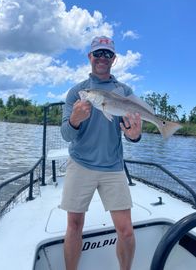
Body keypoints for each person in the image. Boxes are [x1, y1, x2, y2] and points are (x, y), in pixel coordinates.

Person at [60, 36, 142, 270]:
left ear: (113, 59)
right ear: (90, 57)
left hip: (113, 166)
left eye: (107, 54)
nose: (102, 58)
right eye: (98, 53)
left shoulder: (124, 91)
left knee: (126, 231)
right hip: (80, 163)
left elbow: (132, 135)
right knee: (74, 225)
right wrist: (75, 120)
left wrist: (134, 134)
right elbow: (66, 135)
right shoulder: (76, 92)